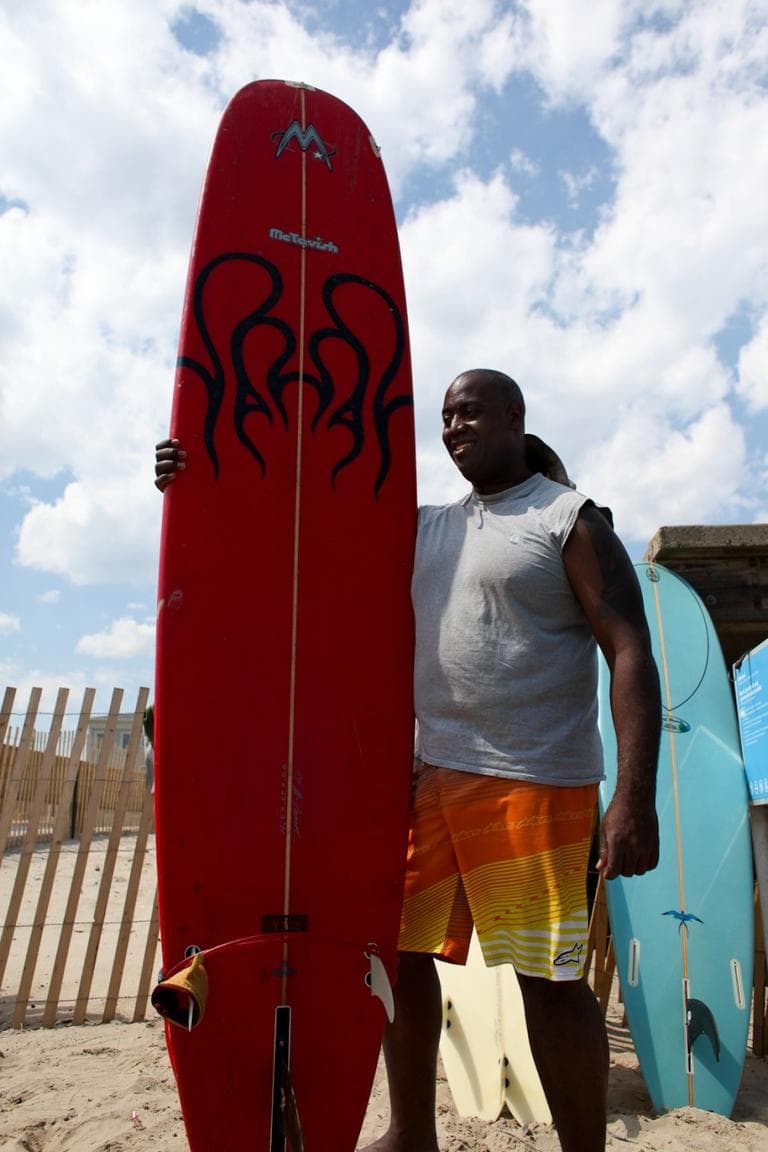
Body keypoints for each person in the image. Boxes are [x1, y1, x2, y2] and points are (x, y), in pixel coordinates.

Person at [155, 368, 661, 1152]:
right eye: (446, 417)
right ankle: (412, 1132)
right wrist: (199, 476)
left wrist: (635, 796)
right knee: (397, 957)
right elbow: (306, 526)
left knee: (548, 984)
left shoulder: (568, 519)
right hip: (432, 778)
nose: (455, 426)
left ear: (515, 417)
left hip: (535, 786)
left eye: (471, 412)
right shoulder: (428, 526)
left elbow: (630, 649)